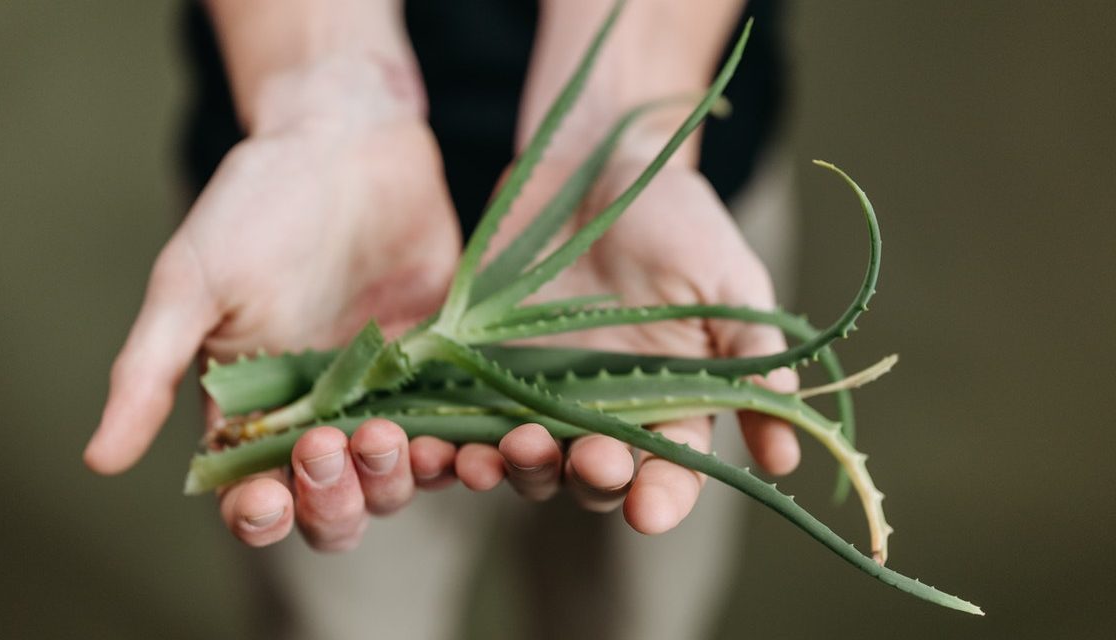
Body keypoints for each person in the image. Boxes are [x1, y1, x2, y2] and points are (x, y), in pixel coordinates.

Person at [85, 1, 796, 637]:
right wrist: (317, 86)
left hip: (648, 236)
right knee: (336, 599)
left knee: (631, 604)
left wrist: (626, 115)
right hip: (313, 244)